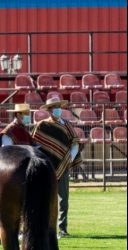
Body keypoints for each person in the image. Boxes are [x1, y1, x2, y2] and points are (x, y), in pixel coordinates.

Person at [31, 97, 82, 239]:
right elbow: (34, 145)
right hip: (45, 168)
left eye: (59, 106)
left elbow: (75, 143)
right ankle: (44, 227)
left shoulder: (67, 125)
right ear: (49, 110)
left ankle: (62, 229)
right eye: (55, 107)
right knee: (44, 198)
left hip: (63, 166)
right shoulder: (41, 126)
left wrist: (69, 159)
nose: (58, 109)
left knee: (63, 199)